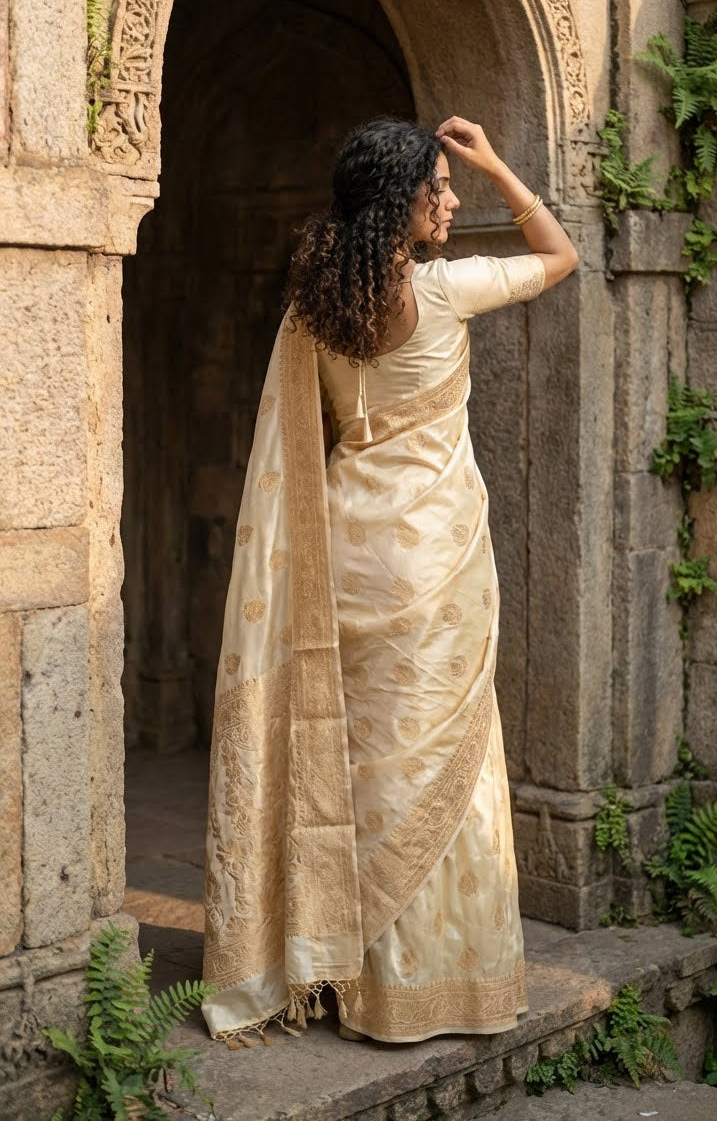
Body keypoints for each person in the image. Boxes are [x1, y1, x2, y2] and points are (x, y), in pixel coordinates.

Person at [201, 115, 579, 1046]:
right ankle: (434, 977)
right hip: (434, 552)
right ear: (400, 204)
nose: (450, 202)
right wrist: (496, 164)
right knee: (439, 756)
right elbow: (560, 255)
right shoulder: (444, 295)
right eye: (437, 188)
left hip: (349, 544)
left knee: (366, 757)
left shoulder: (315, 307)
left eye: (453, 185)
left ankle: (355, 966)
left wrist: (460, 169)